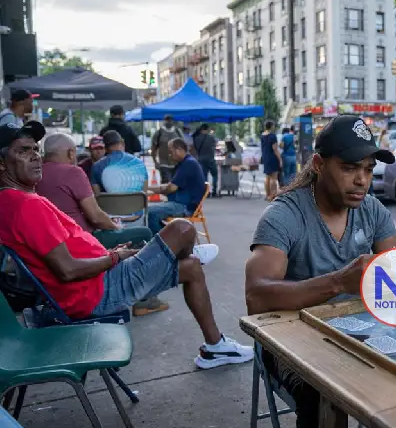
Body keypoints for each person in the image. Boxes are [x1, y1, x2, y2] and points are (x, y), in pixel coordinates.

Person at [0, 121, 253, 368]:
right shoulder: (26, 205)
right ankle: (181, 255)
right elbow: (67, 270)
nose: (35, 156)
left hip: (97, 281)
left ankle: (215, 348)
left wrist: (111, 255)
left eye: (36, 149)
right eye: (23, 151)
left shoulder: (13, 200)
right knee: (182, 228)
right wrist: (115, 258)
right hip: (97, 292)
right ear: (2, 163)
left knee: (192, 268)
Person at [245, 115, 396, 428]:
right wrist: (339, 282)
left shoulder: (372, 210)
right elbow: (256, 296)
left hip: (358, 330)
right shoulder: (284, 215)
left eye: (368, 169)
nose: (362, 180)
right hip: (289, 343)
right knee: (324, 392)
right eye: (349, 168)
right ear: (318, 165)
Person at [35, 133, 167, 317]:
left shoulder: (35, 174)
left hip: (53, 244)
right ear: (71, 153)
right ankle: (145, 301)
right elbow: (96, 216)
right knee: (143, 232)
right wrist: (116, 227)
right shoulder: (73, 172)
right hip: (81, 240)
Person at [146, 138, 206, 235]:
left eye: (171, 151)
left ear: (179, 149)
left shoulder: (188, 164)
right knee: (151, 211)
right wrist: (148, 188)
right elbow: (171, 185)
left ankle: (162, 240)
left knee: (150, 213)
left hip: (185, 206)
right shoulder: (186, 163)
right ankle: (168, 236)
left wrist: (152, 190)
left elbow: (171, 188)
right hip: (182, 203)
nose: (170, 155)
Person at [90, 130, 148, 195]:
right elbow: (144, 194)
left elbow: (97, 197)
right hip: (136, 202)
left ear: (105, 148)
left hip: (109, 202)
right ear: (122, 142)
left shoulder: (96, 167)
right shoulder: (140, 164)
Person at [151, 115, 183, 184]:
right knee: (166, 183)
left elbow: (182, 147)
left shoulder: (177, 132)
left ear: (173, 121)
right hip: (164, 163)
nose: (169, 122)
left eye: (170, 120)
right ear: (164, 121)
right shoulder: (159, 132)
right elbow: (154, 148)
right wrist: (155, 162)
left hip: (176, 164)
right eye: (167, 120)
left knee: (175, 183)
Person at [192, 124, 219, 198]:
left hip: (201, 159)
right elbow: (214, 146)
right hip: (210, 159)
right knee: (215, 175)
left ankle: (206, 192)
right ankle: (214, 191)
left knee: (204, 176)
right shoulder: (211, 137)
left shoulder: (196, 138)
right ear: (206, 129)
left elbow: (195, 149)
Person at [260, 121, 282, 199]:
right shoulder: (272, 136)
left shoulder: (262, 136)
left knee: (267, 177)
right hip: (272, 158)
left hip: (265, 157)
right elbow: (275, 149)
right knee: (273, 178)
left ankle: (267, 195)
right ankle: (273, 195)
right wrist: (280, 159)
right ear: (271, 126)